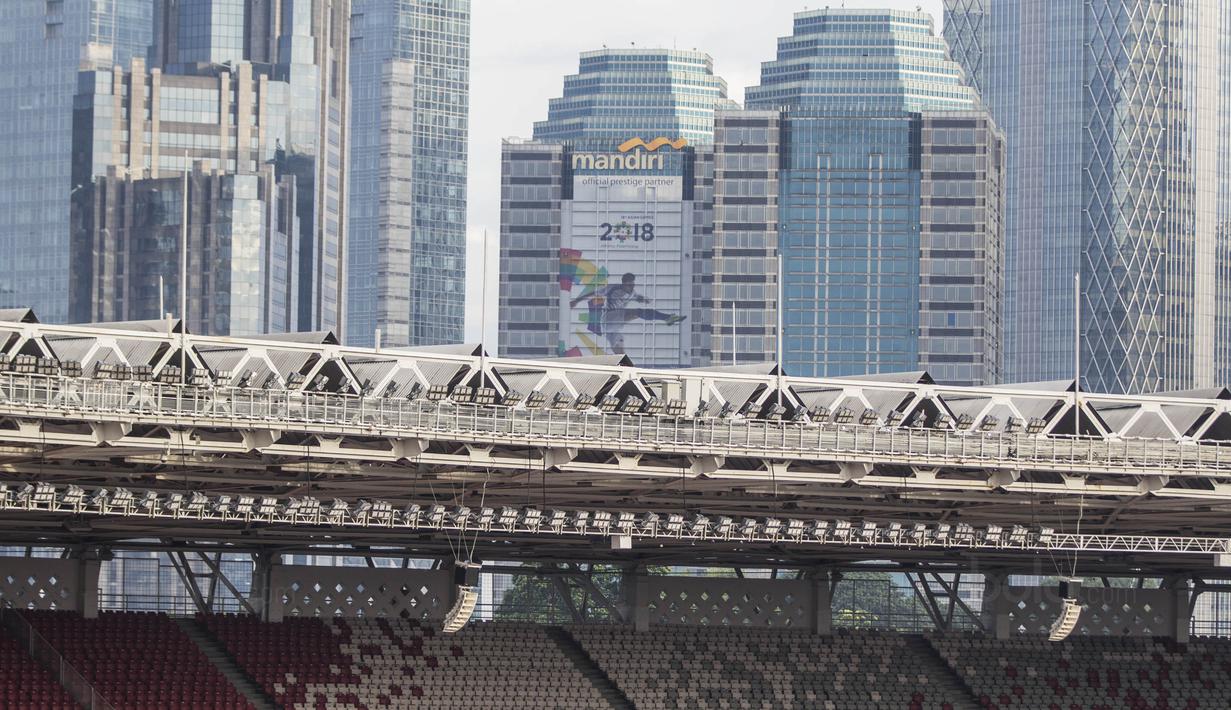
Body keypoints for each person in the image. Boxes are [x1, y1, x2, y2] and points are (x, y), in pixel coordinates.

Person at [570, 273, 685, 354]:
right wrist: (576, 300)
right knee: (638, 312)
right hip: (610, 317)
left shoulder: (632, 292)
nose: (631, 287)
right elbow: (593, 293)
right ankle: (668, 318)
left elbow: (636, 297)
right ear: (623, 283)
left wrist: (643, 299)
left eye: (633, 285)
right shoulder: (613, 288)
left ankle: (624, 368)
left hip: (610, 328)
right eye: (629, 285)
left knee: (620, 351)